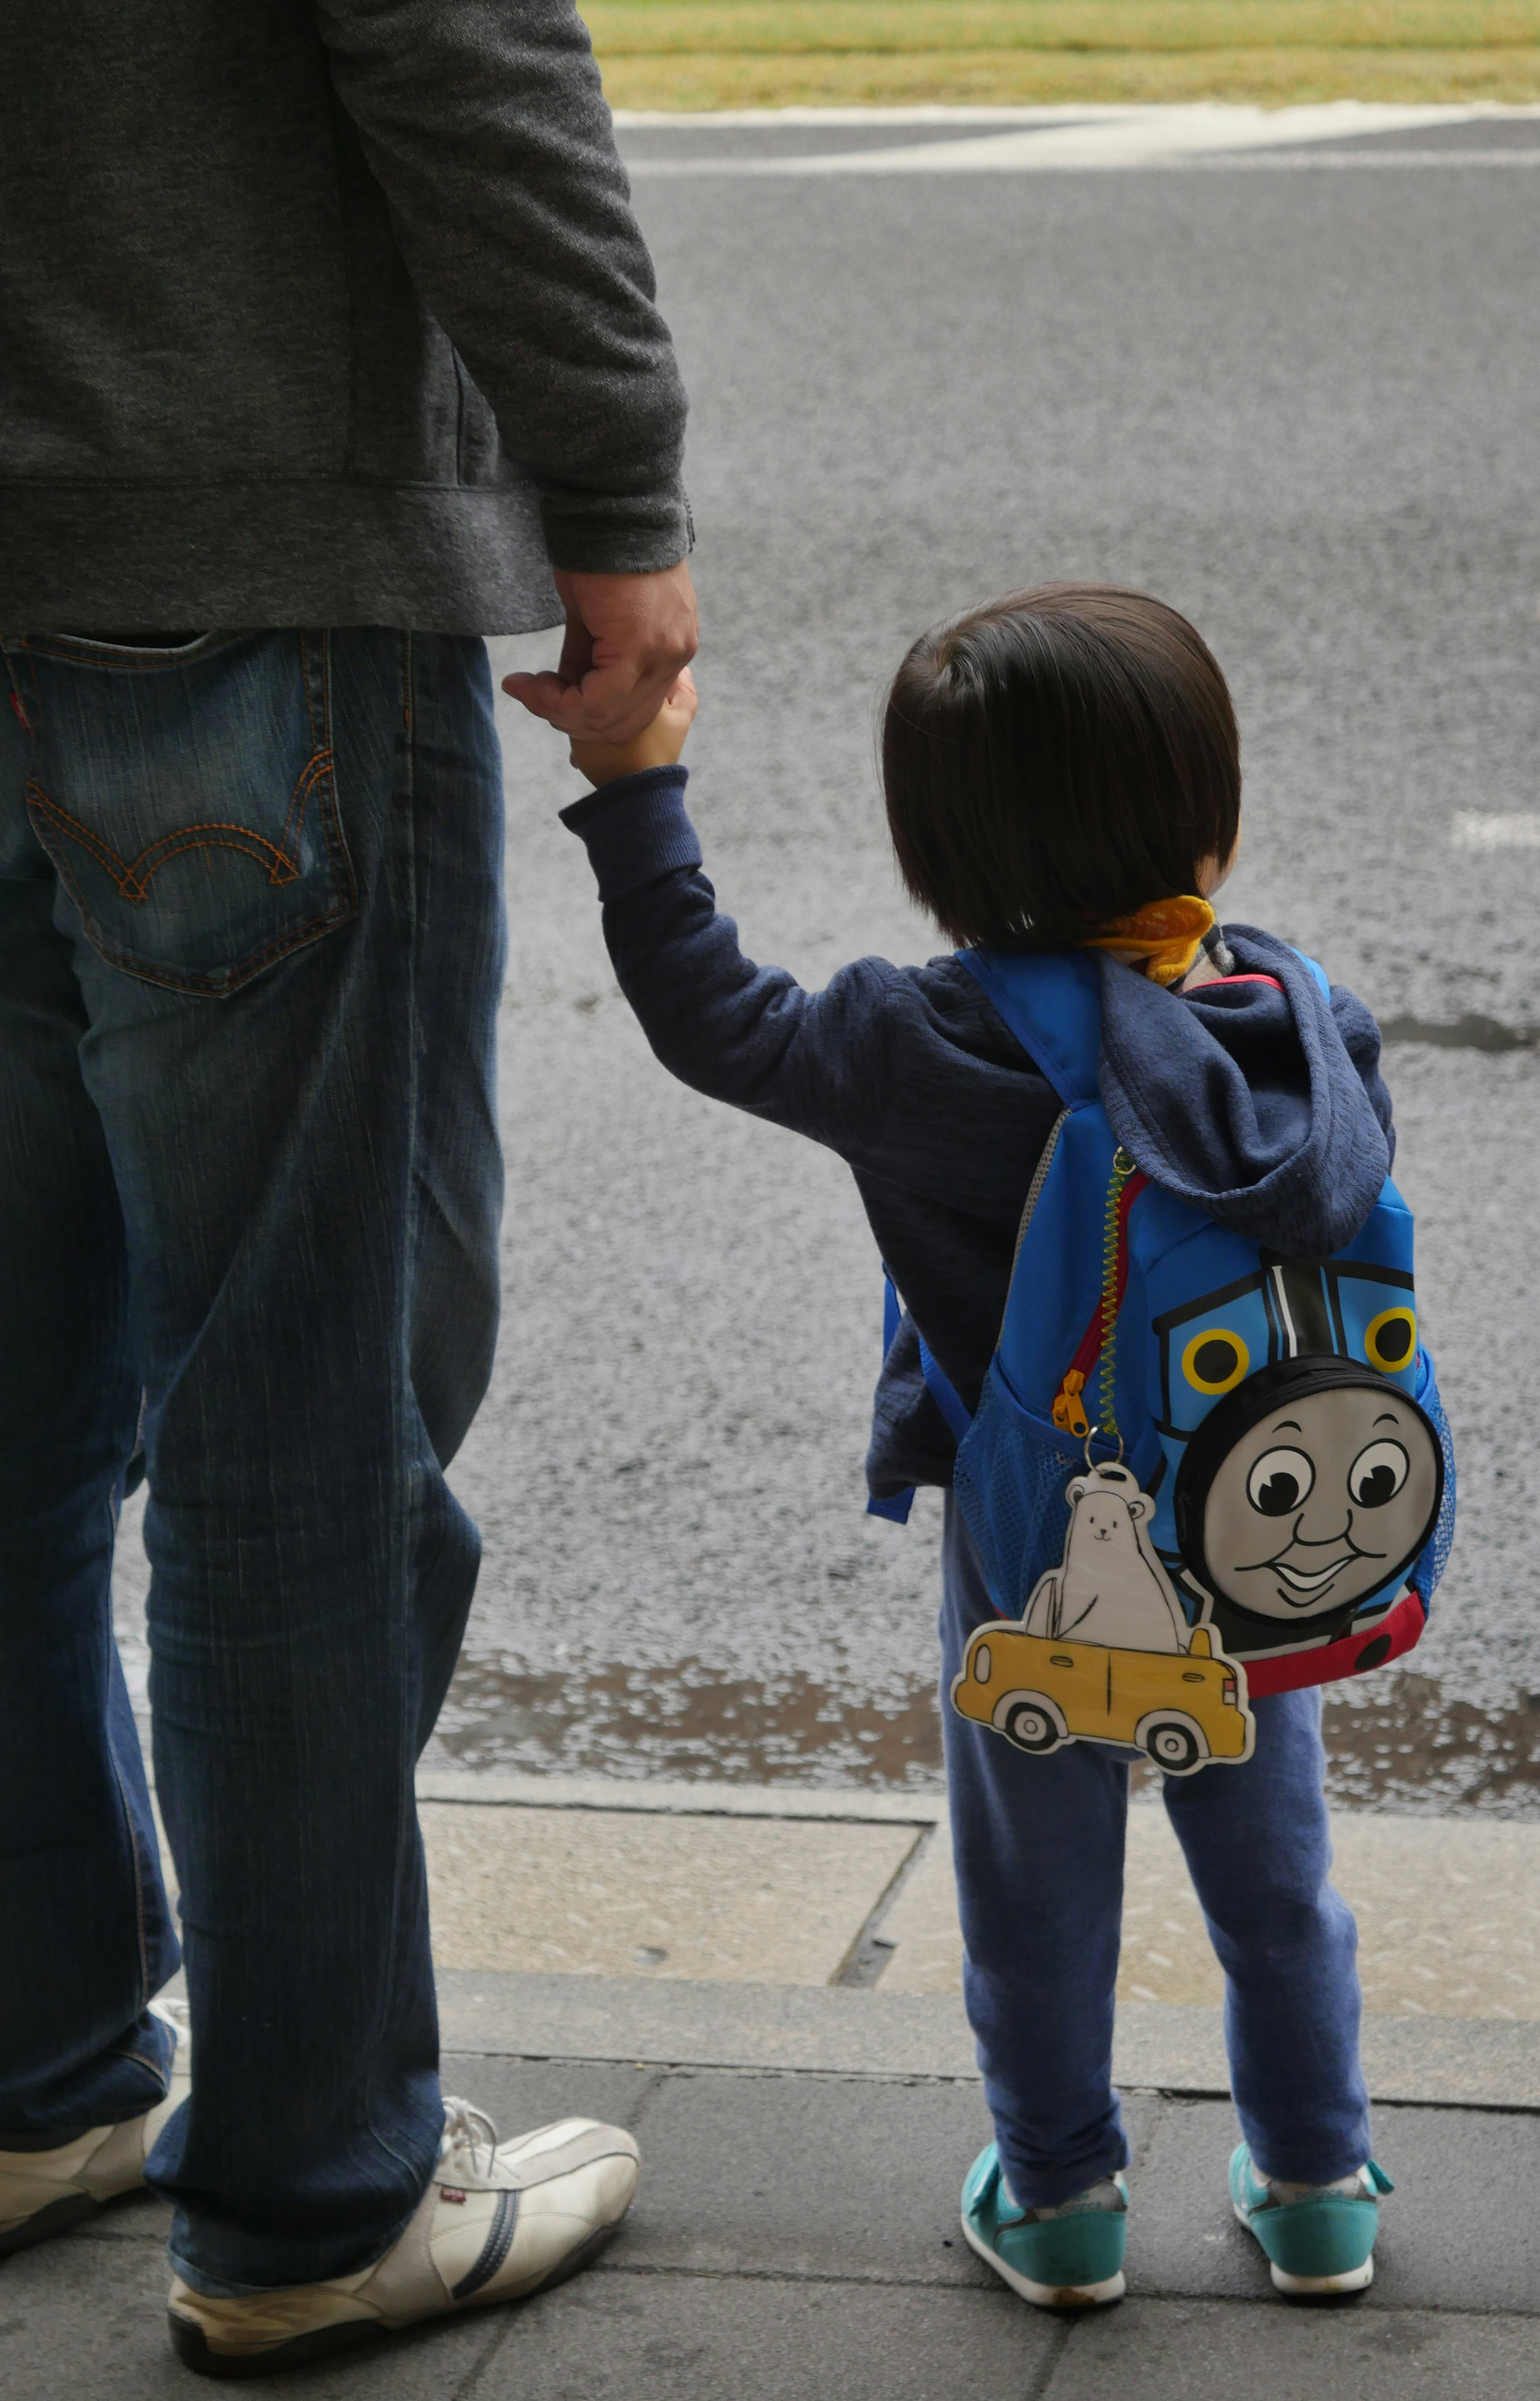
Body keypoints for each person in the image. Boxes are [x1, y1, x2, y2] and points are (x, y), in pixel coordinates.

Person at [0, 0, 694, 2376]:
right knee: (297, 1412)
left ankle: (39, 2072)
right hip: (246, 557)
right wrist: (616, 493)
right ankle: (312, 2194)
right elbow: (461, 49)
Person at [544, 585, 1407, 2307]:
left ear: (938, 854)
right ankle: (1318, 2184)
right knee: (1276, 1871)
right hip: (1261, 1527)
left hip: (1038, 1551)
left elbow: (707, 1010)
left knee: (1037, 1879)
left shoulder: (918, 1039)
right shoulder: (1298, 1020)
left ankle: (1063, 2197)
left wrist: (637, 775)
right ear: (1211, 818)